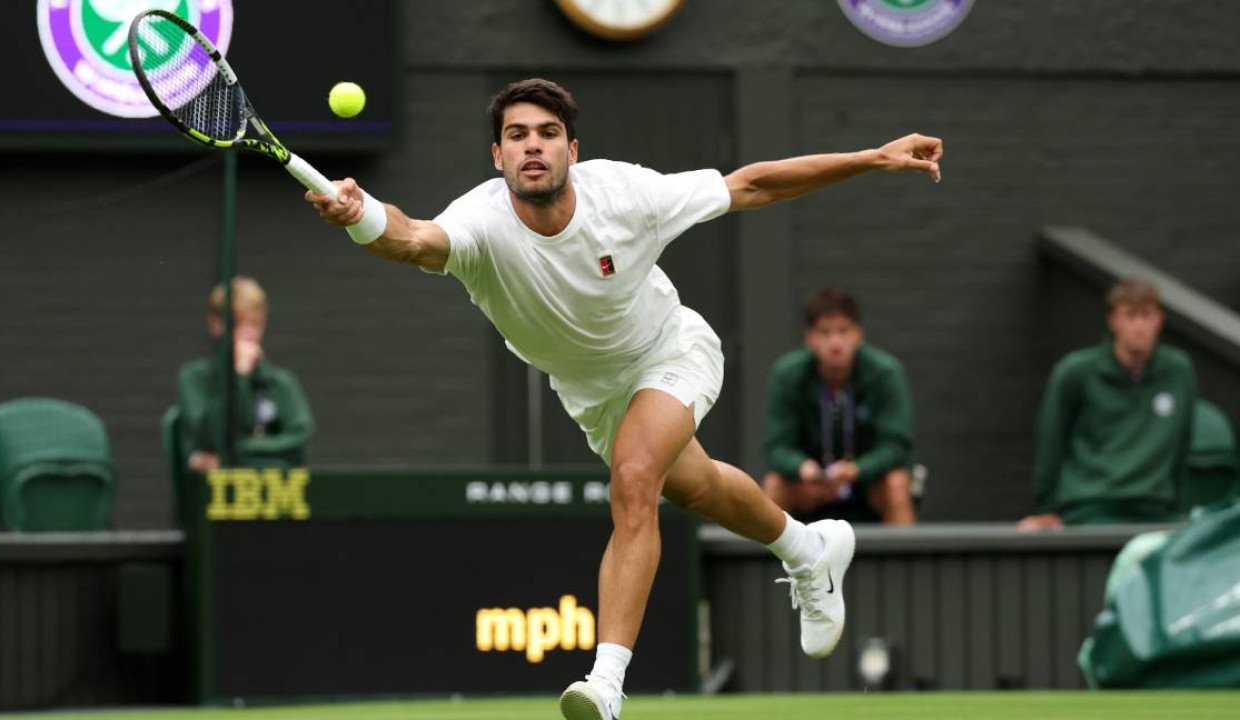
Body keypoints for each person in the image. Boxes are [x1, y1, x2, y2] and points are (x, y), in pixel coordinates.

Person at [306, 79, 942, 719]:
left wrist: (872, 157)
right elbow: (411, 236)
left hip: (671, 350)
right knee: (696, 487)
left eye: (548, 134)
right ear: (497, 157)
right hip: (592, 392)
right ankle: (809, 550)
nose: (533, 147)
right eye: (517, 135)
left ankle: (605, 685)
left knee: (635, 478)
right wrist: (358, 215)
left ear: (572, 150)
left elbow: (753, 185)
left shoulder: (626, 195)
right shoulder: (479, 221)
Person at [1019, 278, 1196, 530]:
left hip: (1157, 510)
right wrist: (1048, 509)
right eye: (1130, 316)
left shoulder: (1179, 371)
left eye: (1146, 315)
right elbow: (1051, 439)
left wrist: (1180, 510)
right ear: (1113, 320)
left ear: (1159, 320)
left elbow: (1182, 443)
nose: (1139, 326)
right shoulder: (1075, 371)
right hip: (1091, 508)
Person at [762, 288, 916, 525]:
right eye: (824, 332)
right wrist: (802, 468)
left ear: (858, 335)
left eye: (843, 331)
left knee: (896, 483)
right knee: (774, 486)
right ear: (809, 338)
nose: (835, 342)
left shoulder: (885, 372)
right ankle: (766, 562)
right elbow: (776, 447)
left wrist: (858, 469)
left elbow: (896, 445)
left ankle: (904, 561)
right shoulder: (788, 375)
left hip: (867, 485)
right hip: (810, 486)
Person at [176, 276, 315, 476]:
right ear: (215, 325)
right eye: (239, 324)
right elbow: (210, 438)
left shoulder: (280, 382)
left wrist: (238, 450)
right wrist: (239, 376)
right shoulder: (195, 378)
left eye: (255, 324)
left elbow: (299, 441)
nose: (249, 334)